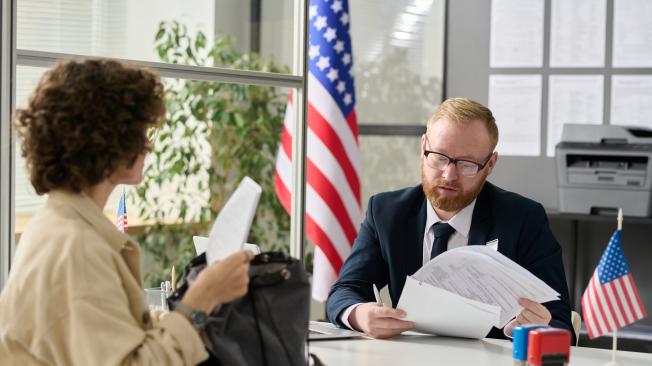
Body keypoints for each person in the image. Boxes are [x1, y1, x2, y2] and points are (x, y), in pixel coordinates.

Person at [0, 59, 253, 365]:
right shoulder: (77, 247)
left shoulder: (60, 226)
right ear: (105, 140)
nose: (147, 145)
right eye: (137, 132)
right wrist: (202, 298)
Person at [326, 98, 574, 342]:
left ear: (490, 165)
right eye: (439, 156)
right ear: (423, 147)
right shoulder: (386, 212)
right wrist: (359, 315)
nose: (449, 174)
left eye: (466, 164)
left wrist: (528, 329)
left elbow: (560, 322)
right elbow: (345, 291)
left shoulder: (524, 219)